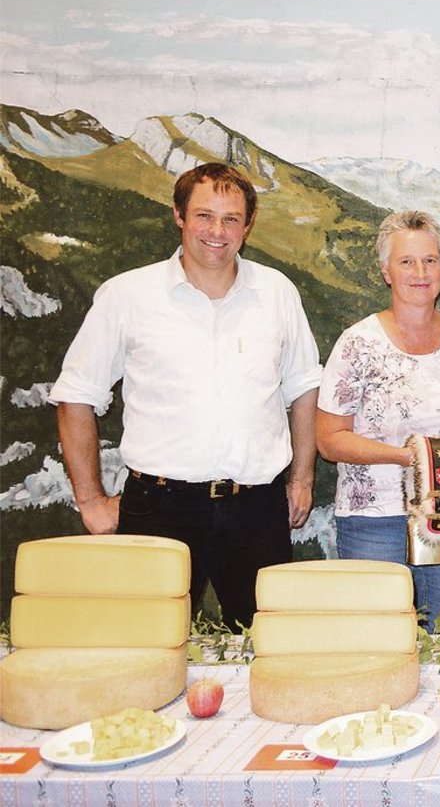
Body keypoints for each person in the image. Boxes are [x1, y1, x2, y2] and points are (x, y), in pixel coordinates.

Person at [50, 162, 321, 629]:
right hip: (159, 507)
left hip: (256, 507)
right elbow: (76, 395)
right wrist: (91, 499)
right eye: (204, 215)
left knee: (267, 643)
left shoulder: (277, 293)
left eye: (231, 218)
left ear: (247, 226)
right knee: (146, 645)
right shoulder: (127, 295)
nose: (217, 231)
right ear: (178, 215)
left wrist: (301, 480)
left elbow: (303, 389)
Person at [316, 211, 440, 629]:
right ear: (385, 271)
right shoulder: (357, 343)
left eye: (430, 261)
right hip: (374, 520)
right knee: (377, 640)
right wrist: (408, 457)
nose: (420, 272)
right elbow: (328, 439)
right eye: (407, 261)